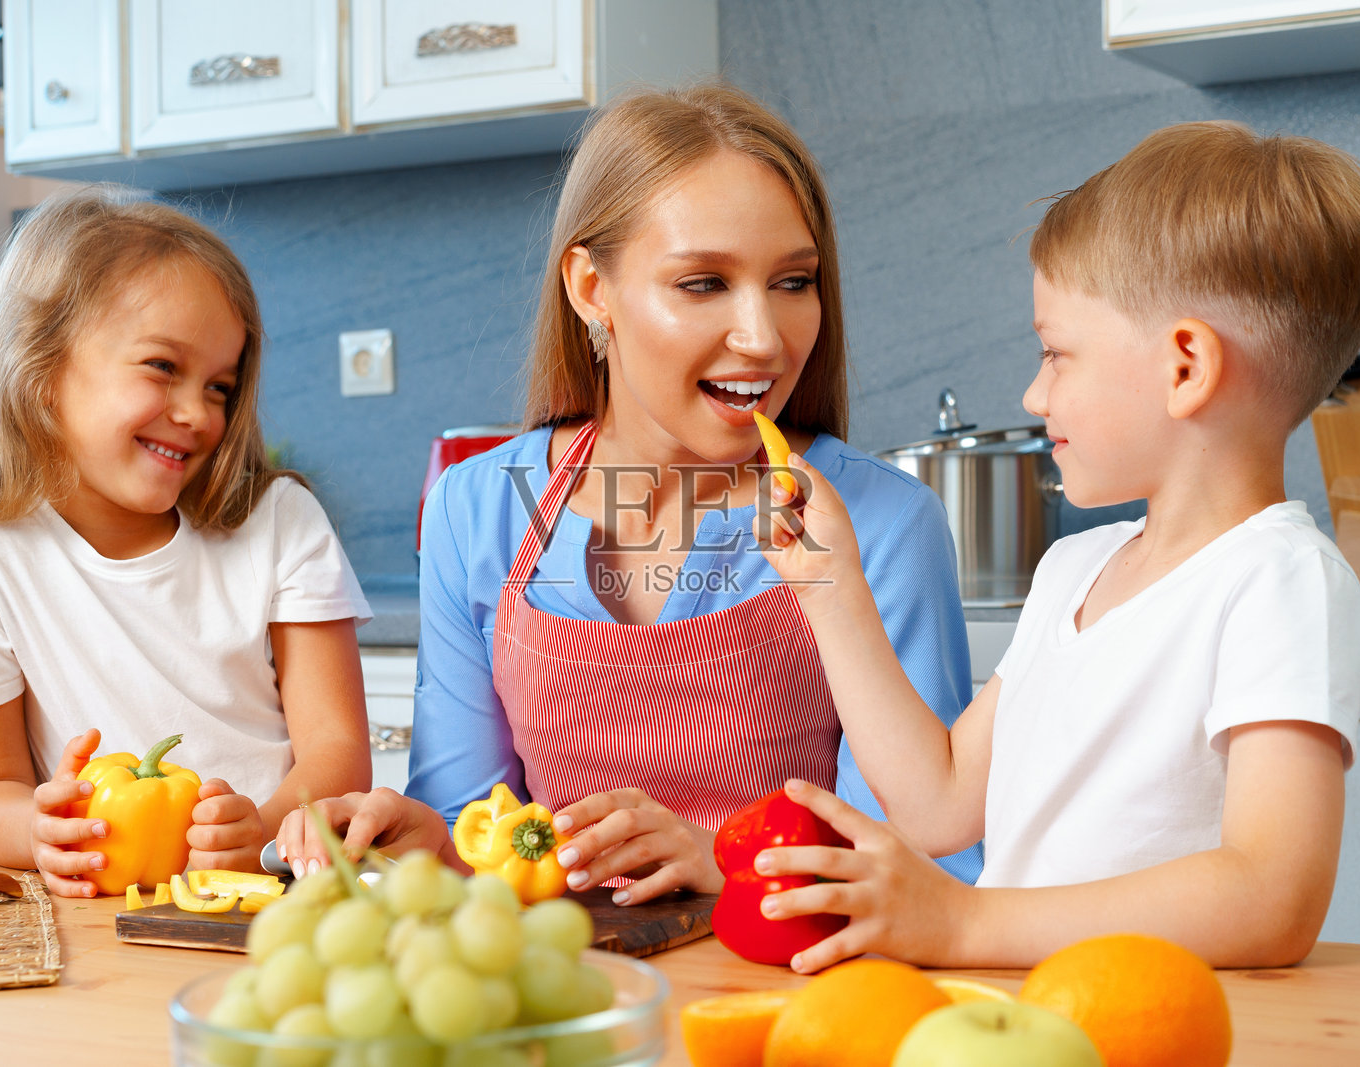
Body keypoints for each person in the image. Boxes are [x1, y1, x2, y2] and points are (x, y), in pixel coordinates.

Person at [276, 82, 982, 898]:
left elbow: (922, 866)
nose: (763, 338)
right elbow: (477, 834)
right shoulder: (478, 510)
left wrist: (724, 862)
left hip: (787, 1003)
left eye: (793, 282)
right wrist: (427, 841)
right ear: (590, 288)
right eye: (703, 283)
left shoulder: (882, 524)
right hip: (563, 998)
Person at [752, 120, 1360, 972]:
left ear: (1185, 366)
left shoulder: (1280, 583)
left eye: (1057, 354)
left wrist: (967, 925)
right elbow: (938, 803)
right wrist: (832, 590)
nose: (1033, 389)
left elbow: (1272, 896)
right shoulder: (1075, 570)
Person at [0, 186, 373, 897]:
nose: (197, 413)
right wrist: (38, 830)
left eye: (219, 386)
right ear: (43, 368)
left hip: (268, 897)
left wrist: (261, 830)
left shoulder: (279, 519)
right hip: (99, 917)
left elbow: (337, 749)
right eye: (163, 367)